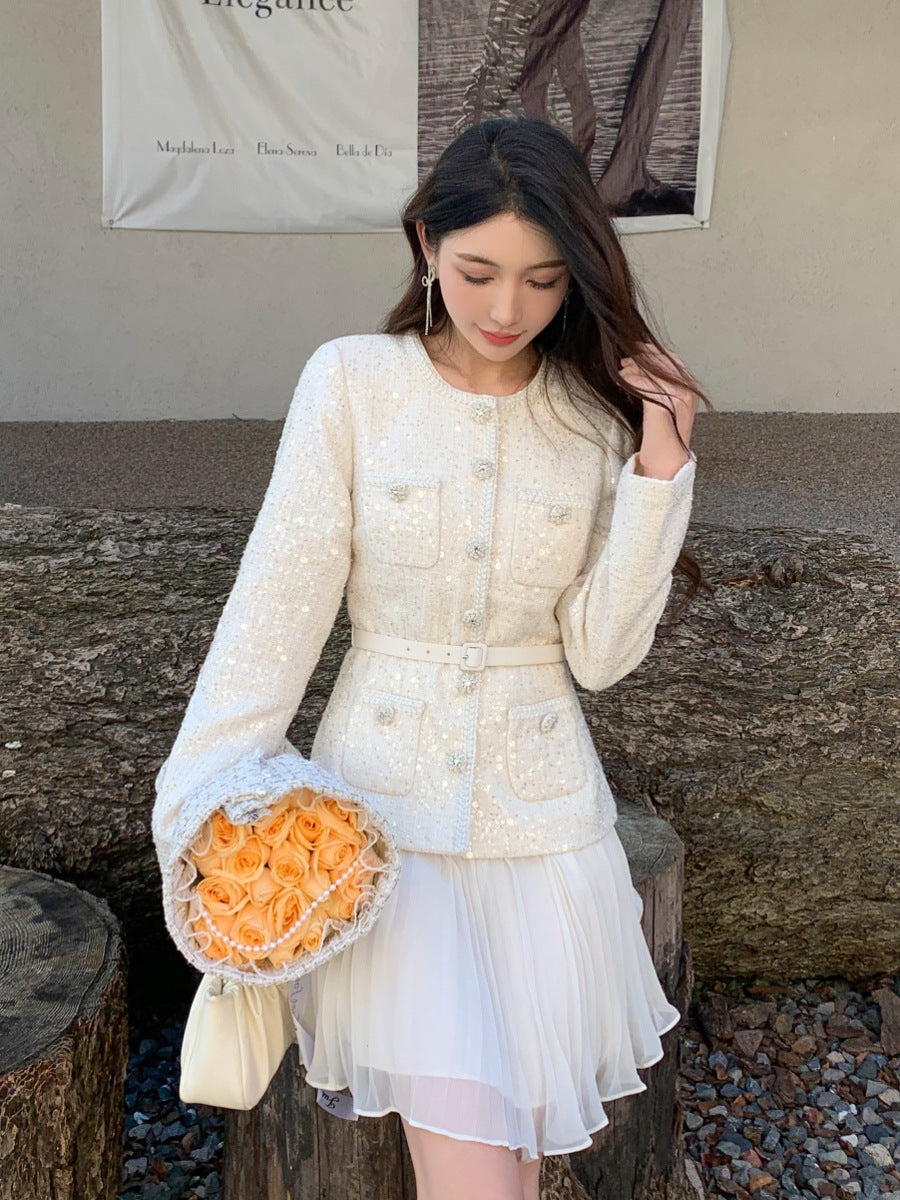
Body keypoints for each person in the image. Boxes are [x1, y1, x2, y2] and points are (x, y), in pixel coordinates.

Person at [152, 116, 707, 1200]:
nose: (508, 310)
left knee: (506, 1157)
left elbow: (599, 655)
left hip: (545, 839)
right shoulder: (354, 382)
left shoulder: (593, 419)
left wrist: (660, 470)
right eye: (479, 272)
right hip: (382, 837)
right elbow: (278, 602)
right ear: (424, 245)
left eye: (546, 282)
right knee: (475, 1163)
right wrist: (198, 804)